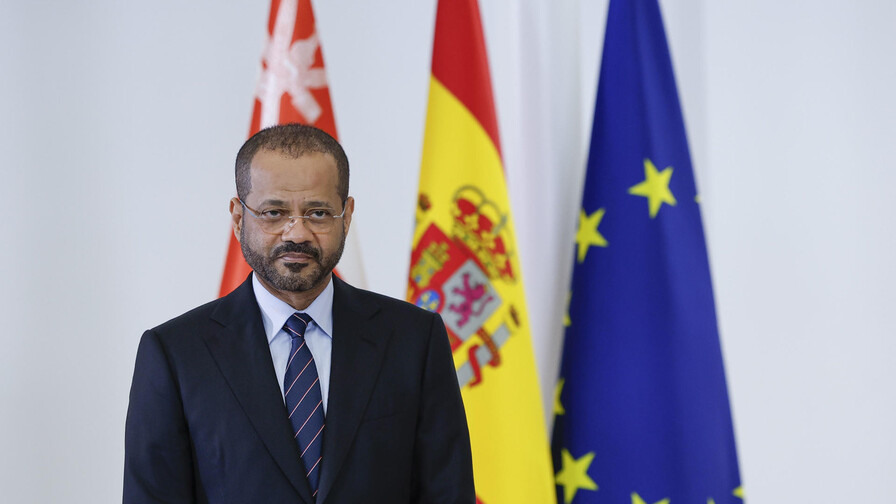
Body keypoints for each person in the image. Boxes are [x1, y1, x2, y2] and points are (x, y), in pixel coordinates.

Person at [124, 124, 475, 504]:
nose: (297, 234)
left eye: (318, 213)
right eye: (273, 213)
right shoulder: (176, 353)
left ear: (346, 216)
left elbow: (447, 492)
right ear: (239, 218)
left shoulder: (415, 340)